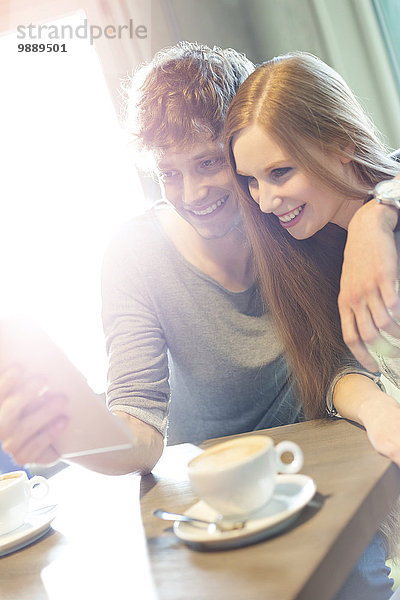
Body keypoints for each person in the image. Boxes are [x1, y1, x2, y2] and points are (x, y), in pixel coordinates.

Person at [225, 50, 400, 600]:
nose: (267, 200)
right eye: (251, 181)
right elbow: (328, 367)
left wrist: (380, 210)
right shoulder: (309, 248)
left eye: (281, 172)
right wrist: (376, 409)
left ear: (341, 142)